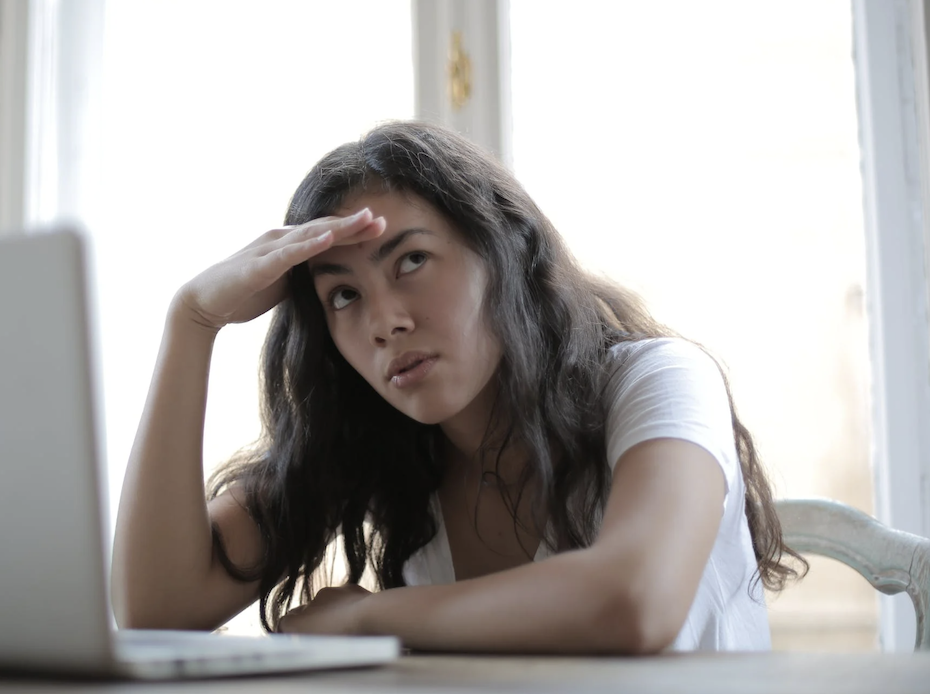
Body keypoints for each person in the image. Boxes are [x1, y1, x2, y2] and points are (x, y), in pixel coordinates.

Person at [110, 121, 805, 653]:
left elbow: (636, 599)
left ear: (503, 251)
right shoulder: (379, 441)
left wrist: (364, 616)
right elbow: (157, 609)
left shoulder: (659, 381)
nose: (385, 320)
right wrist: (191, 322)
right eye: (344, 295)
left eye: (411, 259)